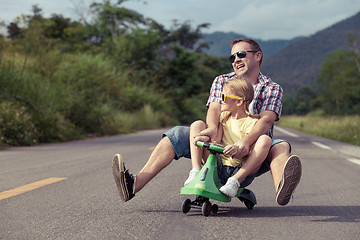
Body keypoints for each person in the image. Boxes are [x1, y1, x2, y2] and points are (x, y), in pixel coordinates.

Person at [112, 38, 302, 206]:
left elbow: (266, 120)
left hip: (253, 154)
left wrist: (245, 142)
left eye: (241, 54)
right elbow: (214, 109)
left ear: (258, 56)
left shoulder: (271, 88)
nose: (236, 60)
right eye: (232, 57)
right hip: (218, 150)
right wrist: (212, 129)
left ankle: (282, 189)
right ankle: (134, 184)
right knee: (178, 133)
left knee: (280, 145)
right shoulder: (222, 80)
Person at [184, 77, 272, 198]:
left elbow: (249, 152)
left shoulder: (251, 123)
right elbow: (216, 141)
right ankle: (196, 171)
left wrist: (237, 149)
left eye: (224, 97)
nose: (220, 100)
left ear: (239, 102)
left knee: (265, 140)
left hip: (238, 169)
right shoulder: (224, 117)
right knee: (197, 124)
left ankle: (235, 181)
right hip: (218, 166)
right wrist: (203, 139)